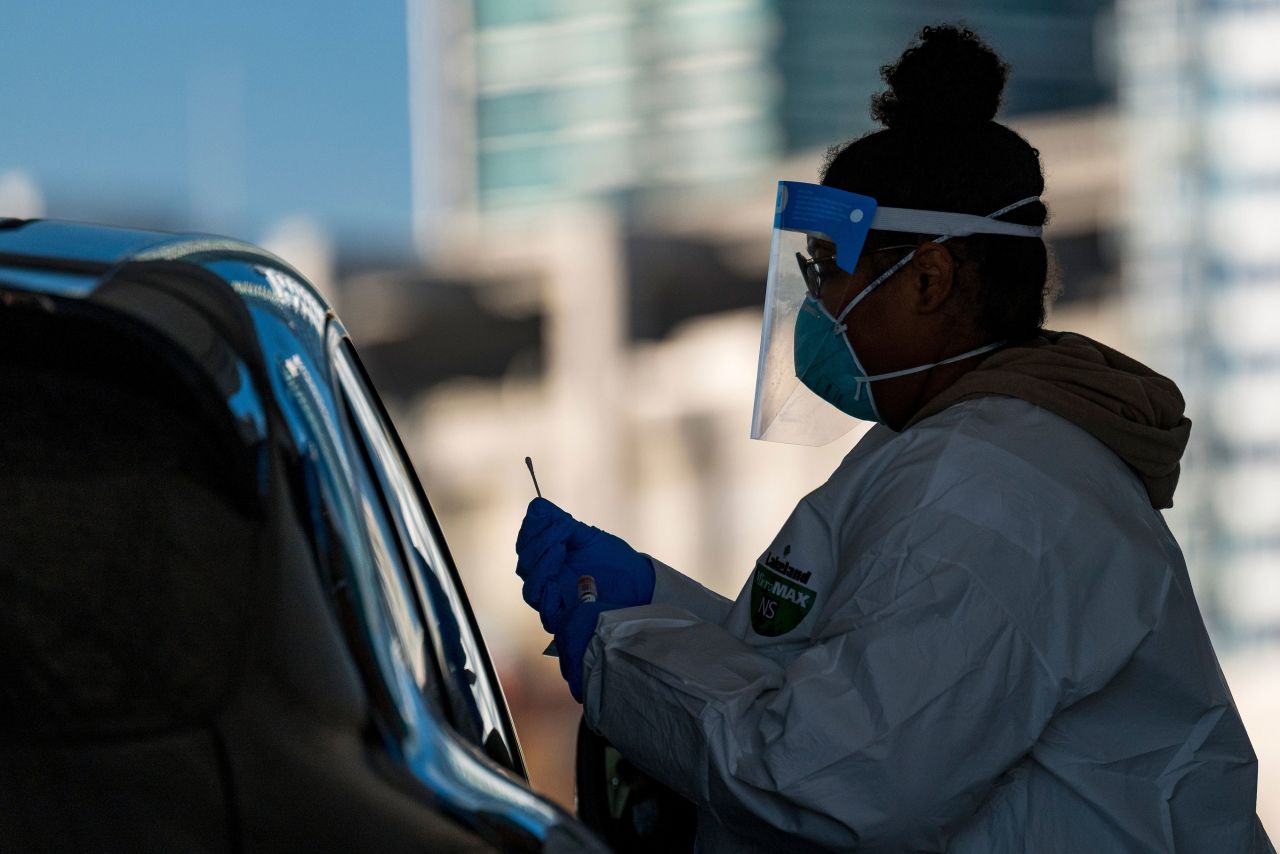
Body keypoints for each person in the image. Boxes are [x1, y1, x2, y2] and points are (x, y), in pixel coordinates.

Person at [515, 25, 1275, 852]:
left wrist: (621, 645)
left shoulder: (995, 492)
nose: (815, 304)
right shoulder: (955, 452)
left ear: (926, 279)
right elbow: (841, 681)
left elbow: (826, 780)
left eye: (827, 271)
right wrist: (656, 601)